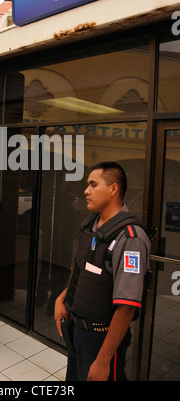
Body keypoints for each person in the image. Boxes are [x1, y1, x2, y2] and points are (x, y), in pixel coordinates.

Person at [54, 162, 150, 381]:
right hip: (77, 329)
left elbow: (126, 307)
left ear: (113, 189)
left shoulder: (130, 238)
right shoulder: (92, 224)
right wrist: (62, 299)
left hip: (102, 340)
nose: (86, 191)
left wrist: (104, 360)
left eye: (92, 184)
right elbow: (84, 270)